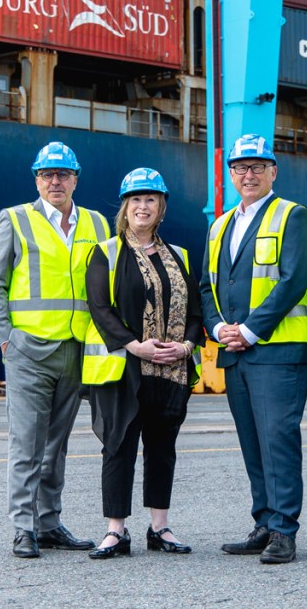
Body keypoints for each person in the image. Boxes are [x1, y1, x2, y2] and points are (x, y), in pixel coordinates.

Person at [0, 141, 109, 559]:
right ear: (37, 179)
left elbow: (106, 288)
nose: (56, 181)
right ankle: (23, 528)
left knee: (57, 446)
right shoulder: (15, 220)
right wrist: (7, 340)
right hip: (29, 351)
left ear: (76, 179)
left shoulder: (97, 224)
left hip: (76, 350)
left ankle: (49, 522)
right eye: (47, 175)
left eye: (63, 174)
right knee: (26, 446)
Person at [199, 134, 307, 564]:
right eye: (240, 168)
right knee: (252, 443)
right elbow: (207, 286)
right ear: (231, 174)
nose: (248, 175)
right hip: (235, 352)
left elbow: (294, 280)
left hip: (277, 351)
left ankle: (285, 529)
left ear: (273, 172)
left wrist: (249, 330)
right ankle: (265, 522)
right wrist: (216, 327)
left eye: (257, 167)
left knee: (278, 440)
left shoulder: (293, 216)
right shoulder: (220, 224)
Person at [82, 167, 205, 560]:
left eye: (150, 199)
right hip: (126, 367)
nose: (143, 206)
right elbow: (100, 308)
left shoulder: (181, 255)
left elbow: (197, 313)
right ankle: (115, 531)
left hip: (170, 368)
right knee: (118, 446)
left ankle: (160, 527)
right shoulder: (107, 251)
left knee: (162, 446)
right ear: (125, 206)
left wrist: (185, 346)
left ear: (162, 207)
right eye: (135, 199)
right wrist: (134, 346)